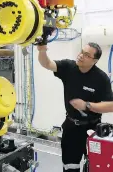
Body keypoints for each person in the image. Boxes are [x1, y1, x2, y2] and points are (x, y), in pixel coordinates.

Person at [37, 41, 113, 172]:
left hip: (92, 129)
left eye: (87, 55)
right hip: (71, 127)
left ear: (94, 61)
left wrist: (87, 105)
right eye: (81, 52)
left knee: (94, 164)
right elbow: (47, 64)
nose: (81, 56)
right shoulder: (68, 67)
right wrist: (42, 51)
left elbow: (111, 106)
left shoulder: (101, 78)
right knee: (70, 165)